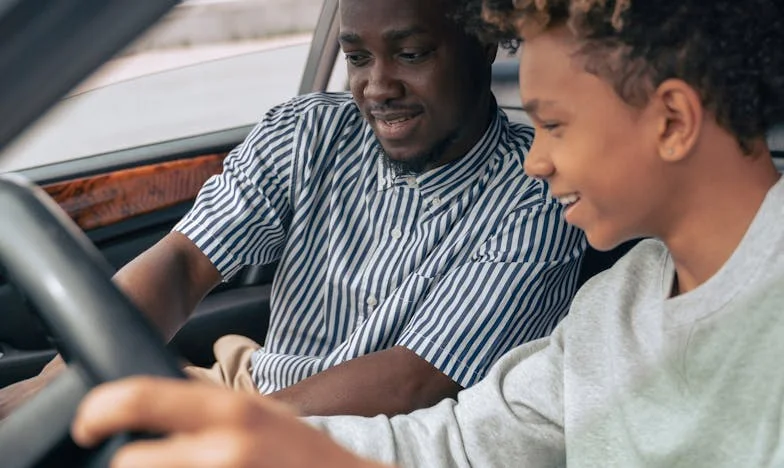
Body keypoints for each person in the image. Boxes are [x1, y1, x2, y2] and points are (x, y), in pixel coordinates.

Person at [68, 0, 784, 466]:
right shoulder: (617, 306)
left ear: (671, 122)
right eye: (358, 57)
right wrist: (272, 442)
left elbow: (422, 394)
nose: (536, 159)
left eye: (555, 125)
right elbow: (462, 442)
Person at [0, 0, 584, 419]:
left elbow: (415, 381)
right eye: (357, 58)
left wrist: (226, 430)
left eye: (410, 54)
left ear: (483, 43)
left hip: (368, 438)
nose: (377, 86)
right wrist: (61, 383)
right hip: (246, 390)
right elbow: (183, 263)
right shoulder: (309, 131)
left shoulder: (536, 191)